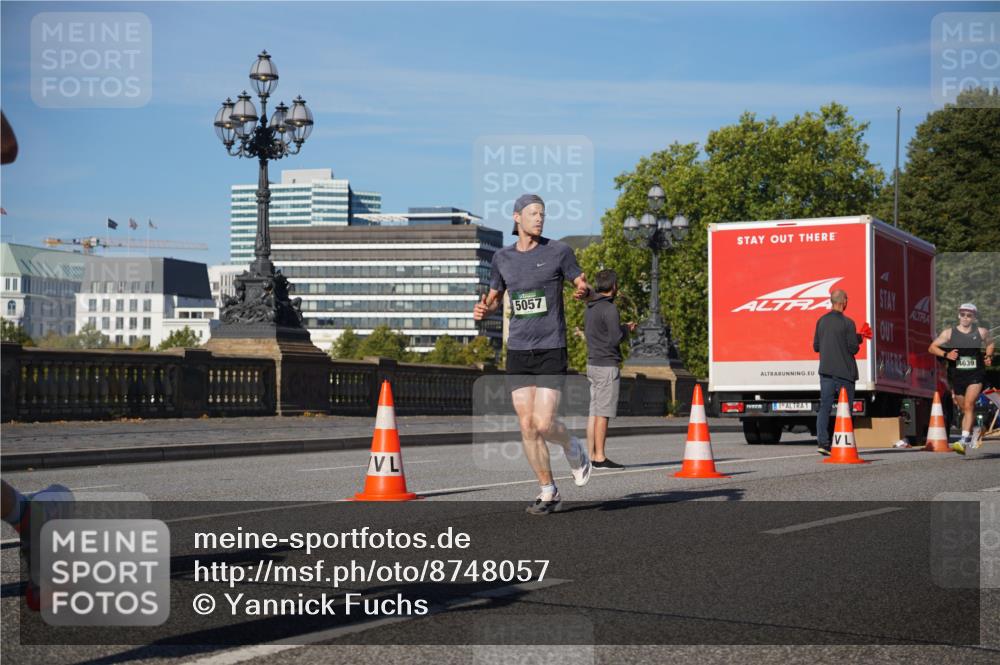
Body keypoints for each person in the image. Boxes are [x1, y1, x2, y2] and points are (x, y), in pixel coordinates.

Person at [473, 193, 593, 514]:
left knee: (543, 422)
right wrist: (486, 309)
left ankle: (571, 446)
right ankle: (548, 489)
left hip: (551, 346)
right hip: (518, 350)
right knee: (526, 424)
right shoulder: (502, 258)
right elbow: (496, 298)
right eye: (533, 213)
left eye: (543, 214)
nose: (539, 218)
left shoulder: (559, 251)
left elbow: (582, 282)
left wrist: (583, 290)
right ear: (517, 217)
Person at [584, 269, 635, 468]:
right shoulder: (610, 309)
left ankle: (591, 454)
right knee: (603, 413)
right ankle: (600, 457)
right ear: (613, 286)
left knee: (594, 412)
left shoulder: (590, 307)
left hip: (592, 363)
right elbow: (615, 338)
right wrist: (626, 329)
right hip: (607, 365)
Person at [929, 303, 994, 454]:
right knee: (965, 408)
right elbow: (932, 347)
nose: (965, 317)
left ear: (974, 318)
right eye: (963, 314)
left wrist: (988, 356)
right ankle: (979, 429)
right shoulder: (949, 333)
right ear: (959, 315)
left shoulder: (981, 332)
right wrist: (946, 355)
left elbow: (990, 343)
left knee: (970, 404)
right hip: (957, 376)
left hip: (975, 374)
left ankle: (964, 441)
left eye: (969, 315)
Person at [813, 289, 870, 455]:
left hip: (826, 373)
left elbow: (816, 347)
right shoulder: (848, 323)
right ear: (843, 301)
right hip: (845, 373)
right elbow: (853, 348)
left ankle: (823, 443)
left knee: (825, 408)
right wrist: (857, 338)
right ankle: (844, 443)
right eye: (847, 299)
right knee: (845, 410)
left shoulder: (821, 321)